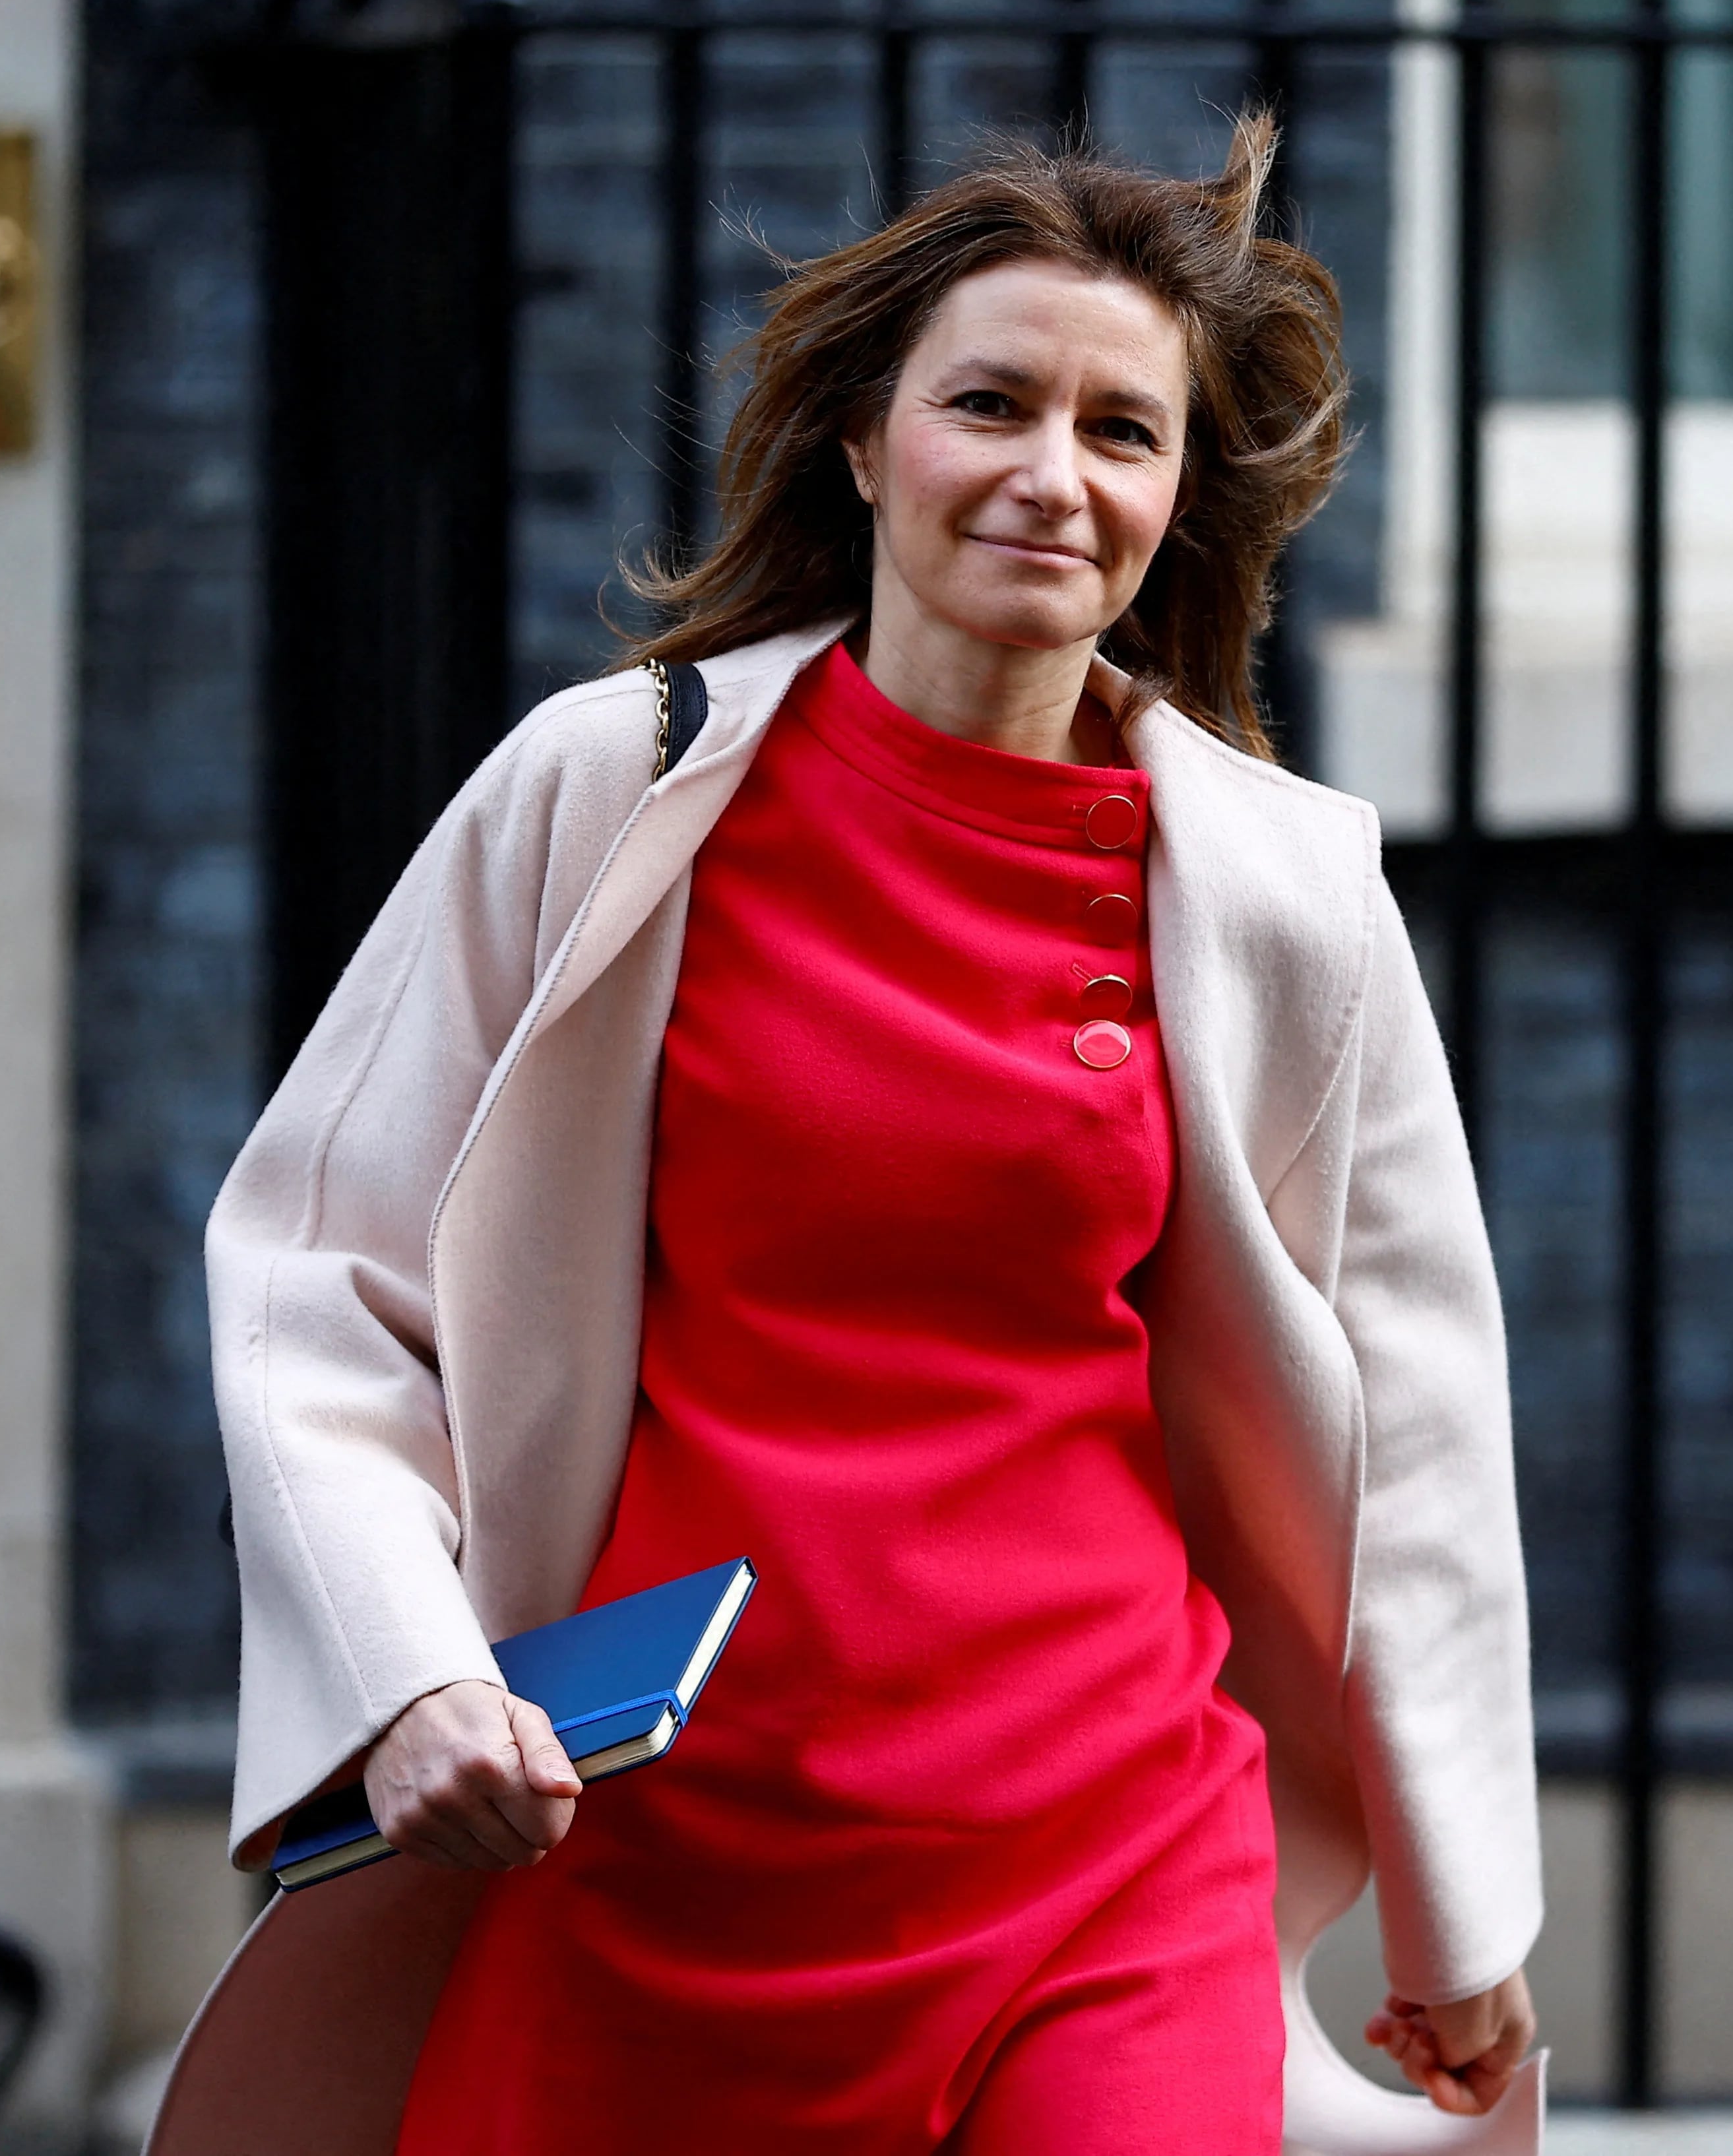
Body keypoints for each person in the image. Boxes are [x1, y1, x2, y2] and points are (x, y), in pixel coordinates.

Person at [159, 116, 1542, 2156]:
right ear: (864, 444)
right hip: (657, 1858)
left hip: (1109, 1848)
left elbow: (1411, 1412)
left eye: (1122, 432)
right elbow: (317, 1280)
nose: (1052, 474)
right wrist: (409, 1677)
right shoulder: (607, 793)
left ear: (1177, 500)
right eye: (990, 402)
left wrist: (1460, 1902)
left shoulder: (1279, 892)